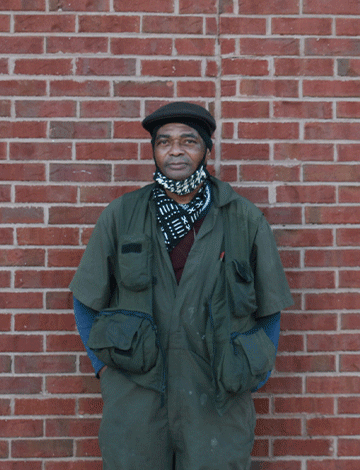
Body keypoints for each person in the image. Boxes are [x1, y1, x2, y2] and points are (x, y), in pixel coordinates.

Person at [69, 101, 292, 470]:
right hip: (136, 398)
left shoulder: (242, 219)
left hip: (217, 399)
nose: (175, 150)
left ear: (207, 148)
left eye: (188, 141)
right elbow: (86, 301)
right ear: (154, 150)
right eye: (164, 141)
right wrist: (104, 372)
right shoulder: (122, 215)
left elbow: (270, 310)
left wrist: (255, 373)